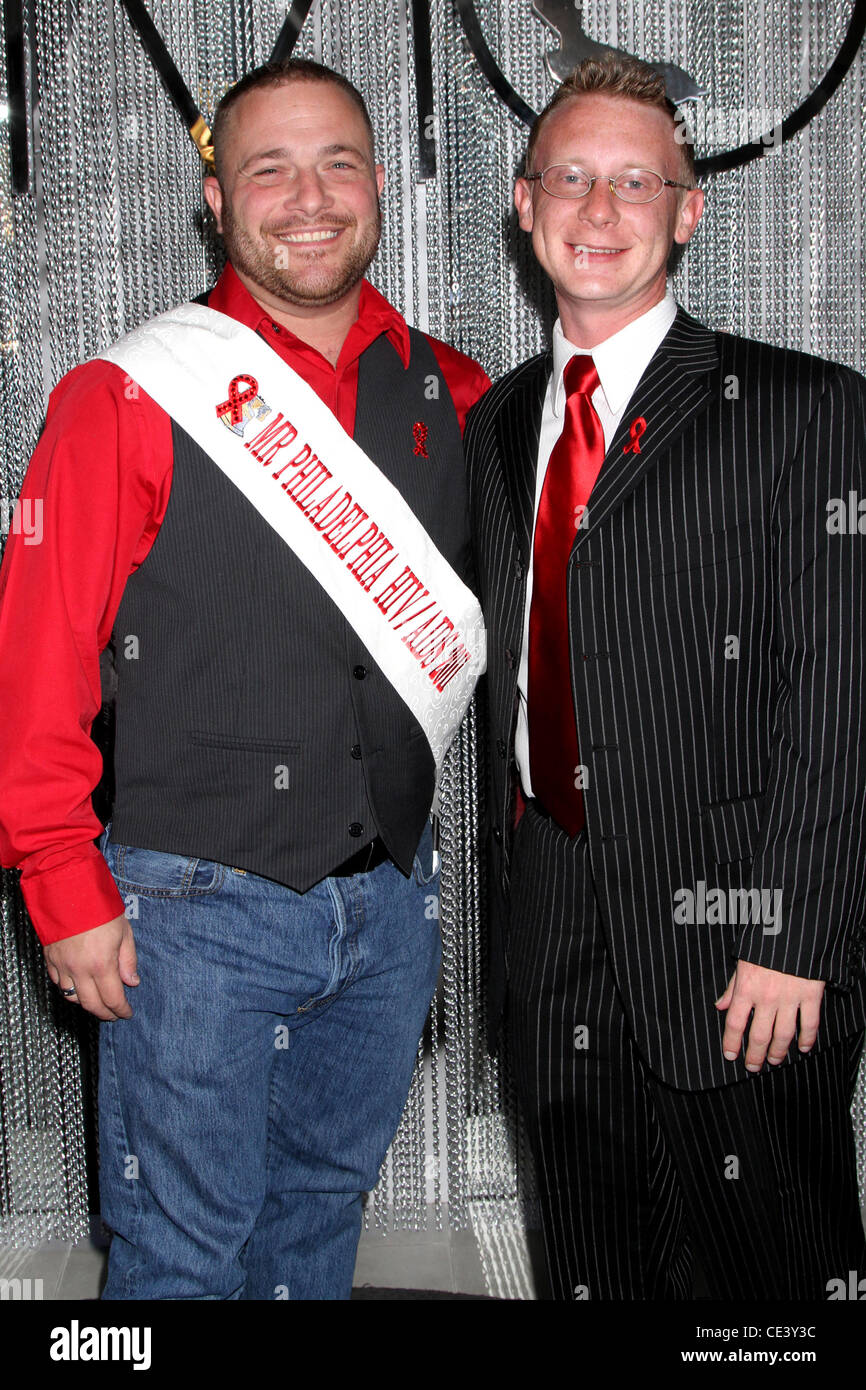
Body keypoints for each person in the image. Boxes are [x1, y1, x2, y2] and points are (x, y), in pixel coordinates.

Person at [0, 57, 489, 1301]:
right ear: (215, 200)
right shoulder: (121, 396)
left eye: (336, 162)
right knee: (179, 1255)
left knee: (316, 1231)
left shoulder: (459, 392)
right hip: (186, 914)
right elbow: (35, 657)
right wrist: (61, 882)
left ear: (377, 185)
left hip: (386, 909)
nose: (308, 196)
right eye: (268, 166)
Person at [465, 52, 866, 1301]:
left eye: (635, 181)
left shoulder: (804, 410)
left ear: (687, 212)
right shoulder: (498, 420)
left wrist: (795, 937)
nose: (598, 211)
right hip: (549, 905)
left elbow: (841, 692)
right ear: (522, 206)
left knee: (768, 1274)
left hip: (739, 925)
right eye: (570, 178)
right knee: (588, 1255)